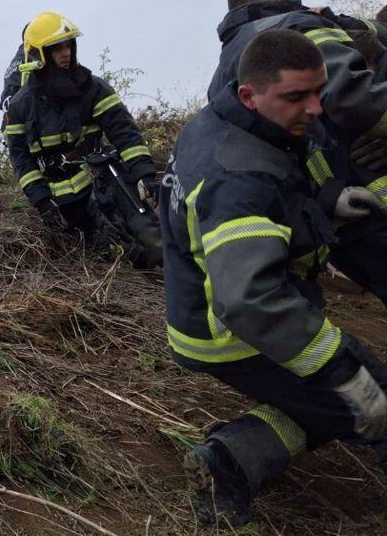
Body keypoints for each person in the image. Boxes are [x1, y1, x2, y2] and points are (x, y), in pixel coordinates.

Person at [160, 29, 387, 527]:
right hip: (234, 332)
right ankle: (229, 465)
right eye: (296, 97)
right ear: (250, 93)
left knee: (331, 405)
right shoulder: (236, 177)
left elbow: (278, 198)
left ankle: (231, 462)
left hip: (215, 313)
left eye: (317, 91)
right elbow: (250, 302)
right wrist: (340, 367)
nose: (316, 108)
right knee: (373, 399)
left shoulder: (233, 123)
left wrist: (329, 202)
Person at [209, 0, 387, 305]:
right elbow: (358, 99)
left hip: (331, 220)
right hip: (374, 199)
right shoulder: (294, 24)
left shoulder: (221, 77)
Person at [3, 11, 161, 265]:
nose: (66, 53)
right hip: (60, 199)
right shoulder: (20, 105)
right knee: (106, 255)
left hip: (102, 181)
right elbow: (21, 159)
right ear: (40, 54)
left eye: (69, 45)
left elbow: (123, 132)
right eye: (57, 48)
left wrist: (145, 174)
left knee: (150, 238)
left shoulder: (92, 88)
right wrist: (42, 202)